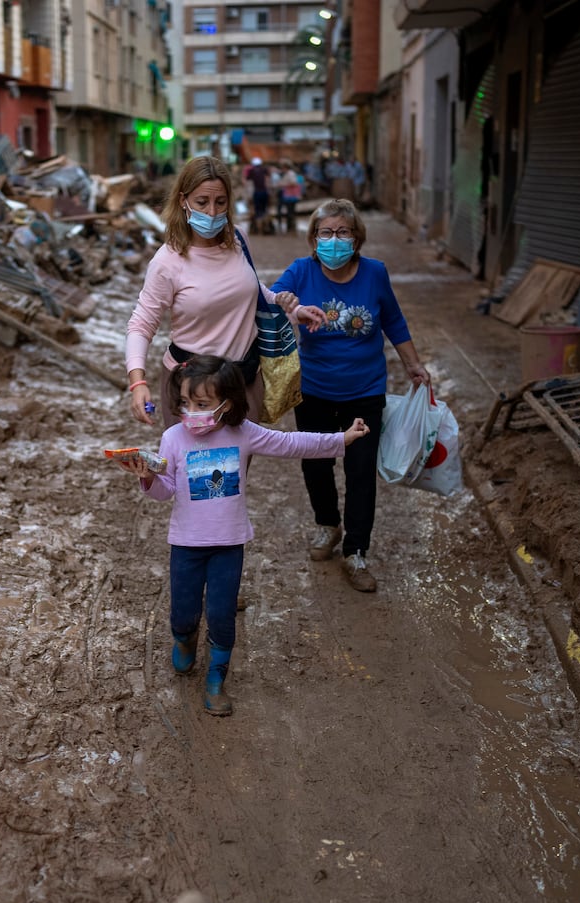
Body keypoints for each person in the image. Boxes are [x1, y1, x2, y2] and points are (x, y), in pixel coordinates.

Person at [116, 355, 369, 713]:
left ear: (228, 402)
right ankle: (184, 640)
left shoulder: (244, 433)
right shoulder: (172, 438)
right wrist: (148, 476)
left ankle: (216, 682)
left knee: (221, 615)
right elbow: (165, 489)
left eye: (201, 404)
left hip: (229, 545)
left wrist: (340, 439)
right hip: (186, 545)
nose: (191, 412)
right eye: (185, 404)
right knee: (183, 613)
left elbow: (292, 444)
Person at [276, 199, 431, 593]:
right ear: (313, 239)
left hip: (364, 391)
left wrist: (413, 364)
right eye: (325, 232)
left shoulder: (375, 273)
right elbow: (270, 300)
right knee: (315, 465)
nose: (334, 240)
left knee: (361, 472)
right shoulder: (301, 271)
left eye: (342, 232)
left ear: (357, 238)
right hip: (313, 389)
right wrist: (289, 308)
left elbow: (393, 319)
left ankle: (356, 550)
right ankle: (328, 524)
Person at [124, 155, 306, 431]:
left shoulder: (239, 240)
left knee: (237, 474)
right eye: (202, 202)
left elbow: (251, 291)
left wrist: (292, 308)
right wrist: (137, 382)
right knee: (192, 473)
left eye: (220, 202)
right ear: (184, 200)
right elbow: (141, 323)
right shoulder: (167, 261)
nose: (211, 212)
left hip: (243, 383)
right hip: (191, 391)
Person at [245, 156, 271, 234]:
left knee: (258, 211)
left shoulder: (252, 171)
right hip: (265, 192)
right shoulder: (264, 170)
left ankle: (259, 230)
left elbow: (247, 181)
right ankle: (266, 227)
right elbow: (268, 181)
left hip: (257, 192)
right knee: (265, 210)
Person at [276, 161, 303, 233]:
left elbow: (294, 183)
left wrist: (283, 185)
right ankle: (290, 227)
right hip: (288, 195)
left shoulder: (290, 174)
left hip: (290, 195)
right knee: (290, 211)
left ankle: (291, 227)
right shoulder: (288, 174)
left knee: (290, 211)